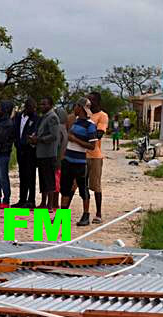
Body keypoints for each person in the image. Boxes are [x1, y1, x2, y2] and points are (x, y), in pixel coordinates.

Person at [60, 97, 98, 226]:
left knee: (83, 189)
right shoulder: (76, 121)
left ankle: (86, 215)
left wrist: (75, 139)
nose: (74, 108)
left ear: (80, 107)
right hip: (68, 159)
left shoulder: (91, 125)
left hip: (80, 161)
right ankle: (62, 216)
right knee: (65, 188)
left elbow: (92, 146)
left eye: (75, 106)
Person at [29, 97, 59, 211]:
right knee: (43, 179)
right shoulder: (44, 117)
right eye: (41, 104)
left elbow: (53, 135)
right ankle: (43, 202)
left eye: (44, 104)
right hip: (41, 153)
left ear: (50, 105)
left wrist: (39, 139)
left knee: (49, 179)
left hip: (49, 153)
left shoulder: (52, 117)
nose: (42, 106)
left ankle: (50, 205)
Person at [12, 98, 39, 208]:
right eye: (32, 107)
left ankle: (31, 200)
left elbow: (34, 132)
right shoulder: (18, 117)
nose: (34, 110)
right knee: (22, 175)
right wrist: (16, 143)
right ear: (27, 107)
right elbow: (16, 131)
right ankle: (22, 199)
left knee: (30, 176)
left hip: (30, 150)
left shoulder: (36, 118)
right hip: (20, 149)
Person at [87, 91, 109, 224]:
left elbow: (98, 134)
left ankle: (98, 213)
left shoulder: (102, 116)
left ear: (97, 102)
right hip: (81, 154)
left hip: (95, 155)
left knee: (96, 186)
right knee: (74, 185)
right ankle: (64, 212)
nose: (89, 103)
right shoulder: (85, 116)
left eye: (91, 100)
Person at [54, 107, 70, 209]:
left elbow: (56, 145)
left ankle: (54, 203)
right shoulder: (64, 128)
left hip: (57, 159)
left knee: (55, 183)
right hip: (63, 159)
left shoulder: (58, 128)